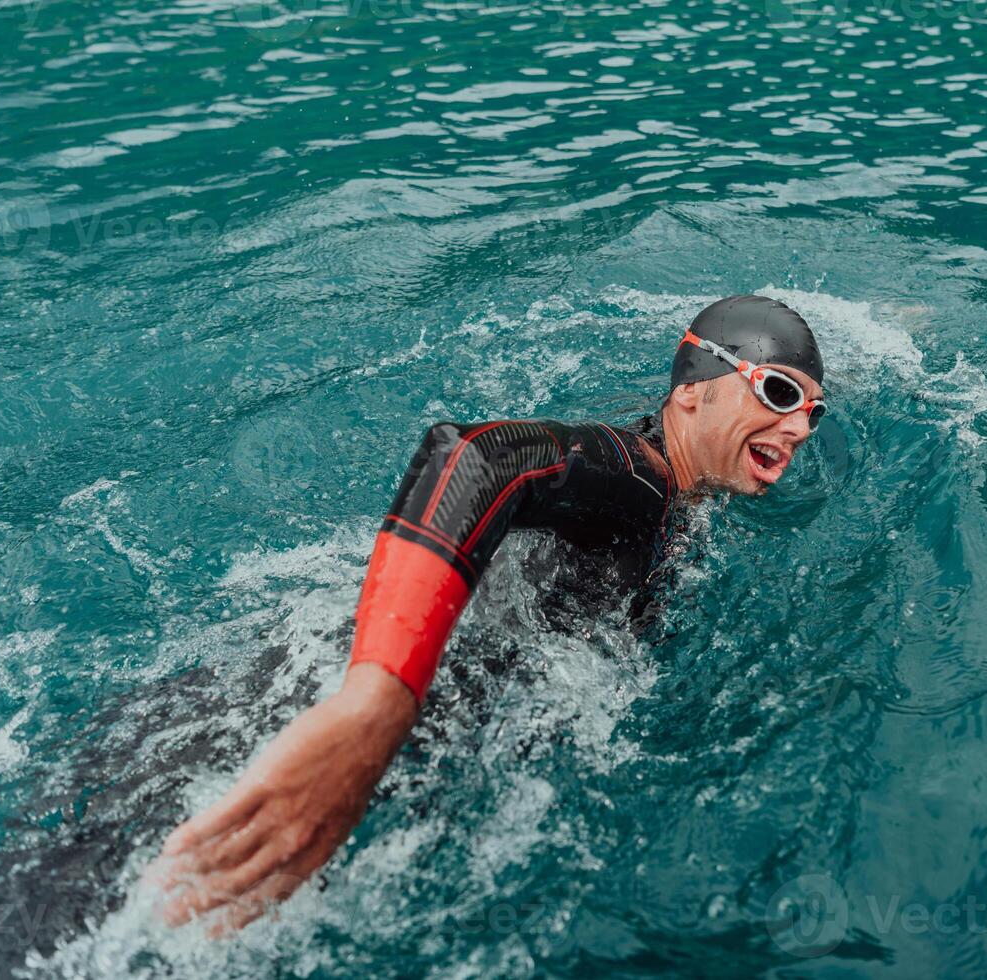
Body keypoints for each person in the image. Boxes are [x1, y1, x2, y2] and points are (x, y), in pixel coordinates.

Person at [148, 295, 827, 934]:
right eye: (778, 392)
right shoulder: (639, 482)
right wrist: (374, 708)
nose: (798, 426)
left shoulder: (672, 472)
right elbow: (480, 455)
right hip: (347, 709)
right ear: (691, 390)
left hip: (311, 677)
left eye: (814, 410)